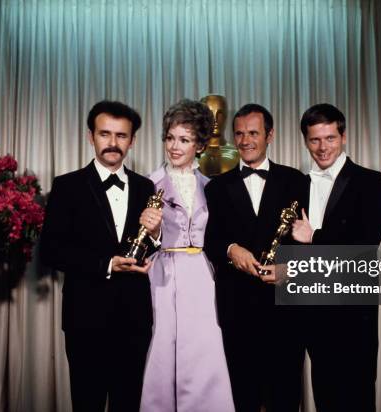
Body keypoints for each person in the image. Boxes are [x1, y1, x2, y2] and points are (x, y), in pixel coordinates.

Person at [40, 100, 162, 412]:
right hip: (86, 318)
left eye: (121, 136)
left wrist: (157, 233)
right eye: (105, 134)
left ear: (132, 140)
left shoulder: (146, 185)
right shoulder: (67, 186)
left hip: (134, 318)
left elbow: (144, 245)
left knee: (128, 403)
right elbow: (51, 251)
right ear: (90, 136)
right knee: (87, 402)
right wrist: (106, 264)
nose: (112, 143)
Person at [204, 104, 309, 412]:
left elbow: (311, 239)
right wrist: (229, 249)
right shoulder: (216, 187)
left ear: (270, 135)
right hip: (237, 308)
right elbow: (210, 239)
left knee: (286, 396)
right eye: (239, 133)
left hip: (285, 308)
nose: (245, 140)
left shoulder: (298, 181)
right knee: (243, 395)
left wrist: (290, 267)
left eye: (253, 132)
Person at [291, 103, 381, 411]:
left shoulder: (370, 181)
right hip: (310, 308)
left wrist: (314, 237)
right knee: (325, 395)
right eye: (315, 139)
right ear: (306, 141)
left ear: (343, 136)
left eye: (330, 138)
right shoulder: (297, 185)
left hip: (351, 311)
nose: (322, 147)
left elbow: (365, 243)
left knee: (356, 395)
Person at [140, 99, 235, 411]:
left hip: (203, 279)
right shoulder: (147, 185)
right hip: (162, 277)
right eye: (169, 138)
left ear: (200, 144)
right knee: (160, 354)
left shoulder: (212, 187)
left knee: (204, 356)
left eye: (183, 139)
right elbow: (134, 241)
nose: (174, 146)